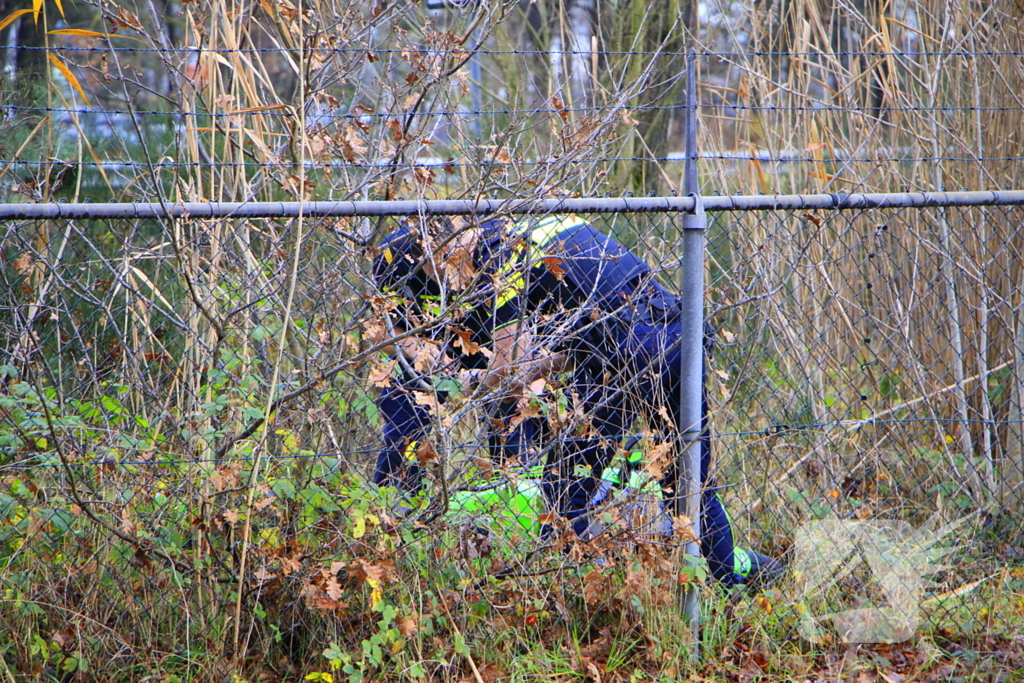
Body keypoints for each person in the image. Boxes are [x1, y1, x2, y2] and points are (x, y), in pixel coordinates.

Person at [369, 213, 782, 588]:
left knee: (566, 494)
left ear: (449, 247)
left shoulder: (499, 260)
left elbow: (511, 371)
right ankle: (731, 585)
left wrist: (467, 378)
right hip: (673, 333)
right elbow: (575, 336)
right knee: (690, 485)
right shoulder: (524, 231)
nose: (455, 283)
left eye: (447, 269)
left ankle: (570, 598)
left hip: (621, 353)